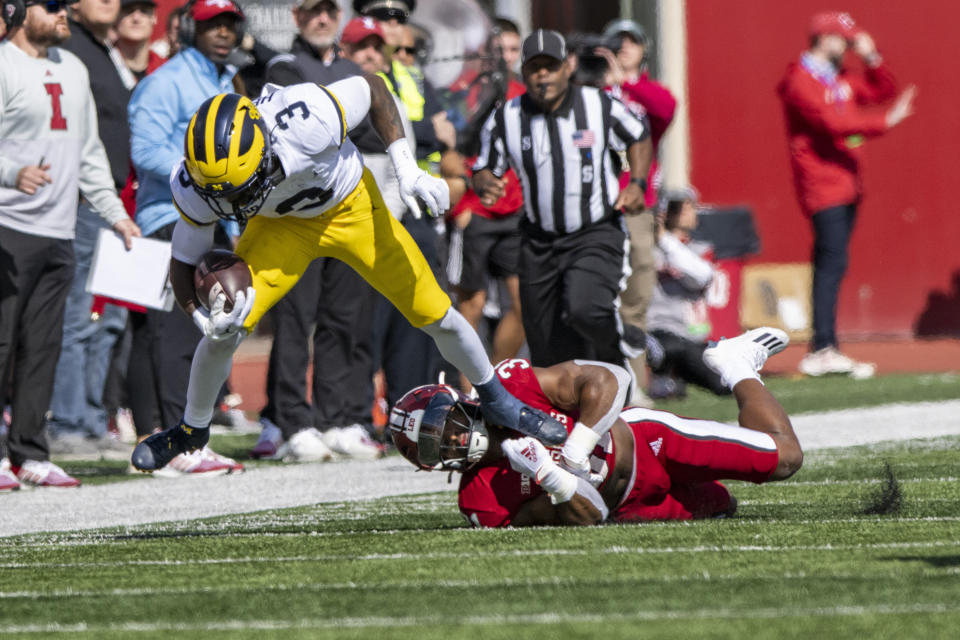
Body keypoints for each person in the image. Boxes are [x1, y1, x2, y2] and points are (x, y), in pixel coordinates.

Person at [130, 73, 569, 473]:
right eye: (221, 195)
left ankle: (497, 399)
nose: (231, 204)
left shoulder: (305, 117)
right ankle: (192, 430)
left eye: (241, 190)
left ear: (264, 145)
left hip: (349, 206)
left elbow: (375, 87)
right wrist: (200, 317)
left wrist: (407, 169)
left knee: (435, 311)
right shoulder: (195, 182)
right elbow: (185, 263)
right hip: (280, 228)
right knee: (224, 332)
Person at [388, 326, 799, 526]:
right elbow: (590, 516)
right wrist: (549, 475)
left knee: (786, 458)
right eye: (431, 447)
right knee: (724, 510)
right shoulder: (481, 502)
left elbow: (611, 378)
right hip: (626, 504)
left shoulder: (512, 386)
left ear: (457, 402)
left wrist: (574, 450)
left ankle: (734, 364)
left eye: (442, 425)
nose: (451, 439)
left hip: (649, 443)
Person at [0, 0, 140, 488]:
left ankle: (30, 452)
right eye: (53, 5)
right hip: (8, 226)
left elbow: (88, 151)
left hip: (59, 229)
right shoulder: (2, 64)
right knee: (2, 343)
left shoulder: (74, 68)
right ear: (19, 9)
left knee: (43, 346)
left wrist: (117, 214)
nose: (64, 14)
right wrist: (11, 172)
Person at [472, 29, 653, 370]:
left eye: (551, 66)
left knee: (586, 308)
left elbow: (639, 134)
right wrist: (483, 182)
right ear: (523, 72)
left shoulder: (598, 105)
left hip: (594, 231)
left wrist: (639, 183)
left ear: (567, 68)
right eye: (535, 67)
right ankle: (572, 410)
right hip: (538, 239)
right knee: (546, 344)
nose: (543, 75)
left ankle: (615, 347)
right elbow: (484, 166)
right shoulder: (506, 117)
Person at [249, 0, 382, 463]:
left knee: (344, 320)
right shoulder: (284, 66)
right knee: (293, 321)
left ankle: (337, 417)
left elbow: (371, 131)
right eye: (313, 11)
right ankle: (291, 420)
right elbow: (320, 128)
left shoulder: (351, 67)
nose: (322, 19)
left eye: (329, 10)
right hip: (296, 215)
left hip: (345, 209)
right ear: (297, 18)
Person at [126, 0, 248, 475]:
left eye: (229, 24)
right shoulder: (167, 81)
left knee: (201, 328)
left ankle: (184, 433)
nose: (221, 32)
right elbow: (143, 149)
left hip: (209, 216)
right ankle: (176, 441)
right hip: (169, 214)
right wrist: (199, 176)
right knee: (177, 329)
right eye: (210, 24)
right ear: (186, 29)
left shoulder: (223, 80)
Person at [777, 11, 915, 379]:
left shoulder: (837, 78)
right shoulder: (800, 80)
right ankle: (822, 347)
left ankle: (826, 346)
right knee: (830, 263)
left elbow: (881, 90)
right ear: (825, 39)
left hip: (847, 182)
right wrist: (884, 122)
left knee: (834, 264)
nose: (849, 47)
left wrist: (873, 57)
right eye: (844, 40)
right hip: (822, 185)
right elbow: (832, 122)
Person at [43, 0, 141, 461]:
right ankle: (65, 422)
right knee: (78, 316)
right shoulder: (69, 50)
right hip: (84, 201)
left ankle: (88, 417)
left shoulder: (104, 51)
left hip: (115, 203)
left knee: (110, 321)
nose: (110, 1)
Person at [600, 18, 677, 405]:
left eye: (632, 41)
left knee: (637, 294)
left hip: (637, 206)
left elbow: (666, 109)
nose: (625, 47)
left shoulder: (645, 92)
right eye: (618, 41)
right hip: (595, 205)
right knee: (597, 294)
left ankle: (635, 383)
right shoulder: (592, 88)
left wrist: (625, 83)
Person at [645, 187, 729, 398]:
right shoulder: (645, 249)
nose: (683, 210)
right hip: (657, 332)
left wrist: (665, 239)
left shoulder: (700, 249)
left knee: (725, 383)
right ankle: (664, 377)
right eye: (676, 206)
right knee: (668, 346)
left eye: (688, 205)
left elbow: (701, 277)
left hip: (693, 337)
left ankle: (673, 377)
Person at [114, 0, 165, 79]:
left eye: (144, 11)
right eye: (128, 10)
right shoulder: (99, 63)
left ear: (154, 17)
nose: (136, 18)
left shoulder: (165, 68)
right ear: (116, 17)